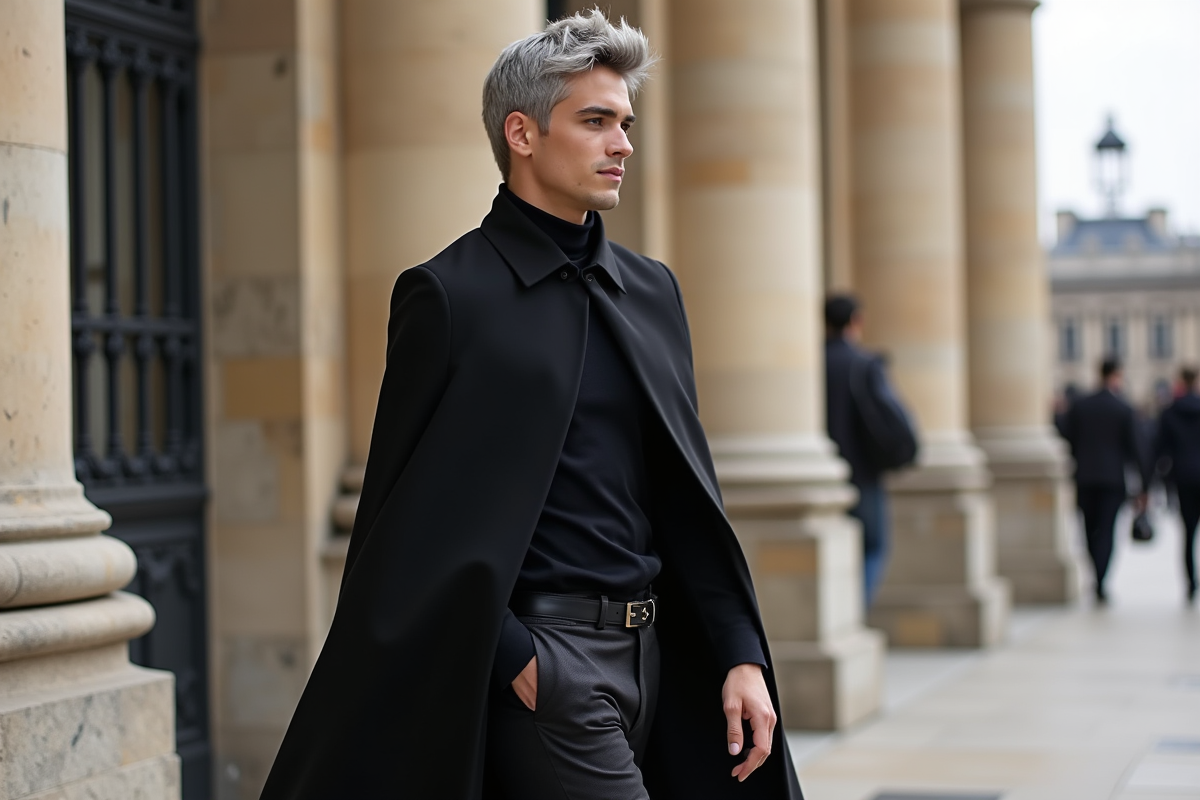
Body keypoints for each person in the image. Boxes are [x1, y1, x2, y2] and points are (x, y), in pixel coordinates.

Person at [259, 11, 803, 800]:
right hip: (550, 671)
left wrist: (741, 652)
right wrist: (518, 659)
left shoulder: (651, 292)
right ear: (522, 133)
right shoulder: (447, 296)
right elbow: (400, 525)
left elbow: (687, 499)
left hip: (662, 658)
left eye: (624, 122)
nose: (622, 144)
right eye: (595, 121)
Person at [823, 294, 917, 606]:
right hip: (862, 473)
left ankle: (842, 612)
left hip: (823, 472)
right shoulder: (864, 363)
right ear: (857, 321)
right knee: (873, 547)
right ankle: (854, 611)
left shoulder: (815, 364)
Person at [1059, 357, 1150, 604]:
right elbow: (1136, 449)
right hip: (1112, 479)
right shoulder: (1123, 408)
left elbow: (1067, 438)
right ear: (1117, 375)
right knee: (1107, 531)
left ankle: (1094, 574)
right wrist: (1144, 485)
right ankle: (1101, 580)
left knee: (1088, 529)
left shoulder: (1080, 406)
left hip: (1085, 477)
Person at [1154, 366, 1200, 603]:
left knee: (1188, 532)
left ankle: (1191, 582)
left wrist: (1157, 478)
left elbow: (1160, 448)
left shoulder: (1170, 411)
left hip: (1183, 477)